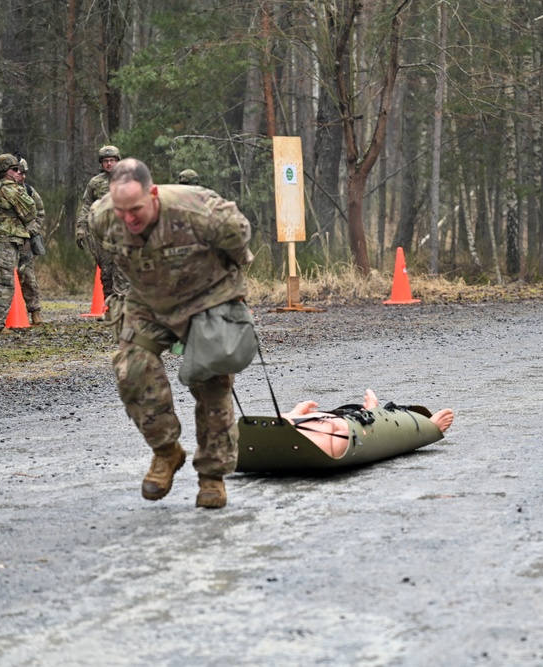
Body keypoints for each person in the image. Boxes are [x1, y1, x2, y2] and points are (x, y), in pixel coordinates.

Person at [88, 158, 254, 509]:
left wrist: (228, 293)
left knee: (211, 384)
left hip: (205, 298)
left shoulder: (199, 211)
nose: (128, 219)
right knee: (131, 368)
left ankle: (212, 475)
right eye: (121, 211)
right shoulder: (102, 217)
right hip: (149, 301)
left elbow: (239, 242)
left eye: (135, 209)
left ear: (153, 195)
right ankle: (166, 451)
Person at [282, 389, 455, 458]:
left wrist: (295, 414)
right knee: (344, 433)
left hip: (295, 428)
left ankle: (372, 416)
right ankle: (374, 417)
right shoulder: (335, 430)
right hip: (324, 439)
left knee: (335, 428)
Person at [0, 154, 38, 335]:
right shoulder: (11, 189)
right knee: (4, 285)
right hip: (5, 241)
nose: (18, 172)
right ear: (6, 172)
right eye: (15, 169)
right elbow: (30, 211)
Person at [76, 145, 129, 301]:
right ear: (101, 163)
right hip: (102, 234)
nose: (109, 164)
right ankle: (110, 305)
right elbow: (86, 206)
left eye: (112, 160)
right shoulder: (95, 183)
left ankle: (121, 307)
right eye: (106, 161)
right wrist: (81, 229)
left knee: (122, 271)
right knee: (106, 272)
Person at [16, 158, 46, 325]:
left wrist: (33, 229)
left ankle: (35, 311)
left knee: (28, 276)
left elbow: (40, 212)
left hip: (25, 241)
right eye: (19, 172)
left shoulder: (29, 191)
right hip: (5, 241)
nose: (22, 176)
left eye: (24, 173)